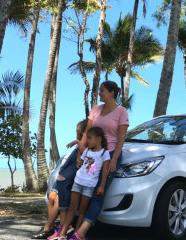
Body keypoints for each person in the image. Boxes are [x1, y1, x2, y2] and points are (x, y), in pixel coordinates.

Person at [71, 81, 129, 240]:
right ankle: (72, 226)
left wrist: (113, 160)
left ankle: (81, 232)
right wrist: (80, 154)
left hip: (108, 155)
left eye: (102, 90)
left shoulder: (121, 111)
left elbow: (121, 139)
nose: (99, 93)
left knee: (97, 192)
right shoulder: (96, 109)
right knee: (83, 187)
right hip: (91, 155)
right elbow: (87, 133)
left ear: (111, 93)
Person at [32, 120, 87, 239]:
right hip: (63, 172)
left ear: (84, 134)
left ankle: (51, 227)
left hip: (67, 177)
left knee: (58, 198)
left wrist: (79, 142)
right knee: (51, 196)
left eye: (78, 133)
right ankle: (52, 226)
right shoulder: (79, 146)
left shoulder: (84, 146)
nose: (76, 135)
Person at [56, 127, 111, 240]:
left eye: (90, 138)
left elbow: (105, 171)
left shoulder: (104, 153)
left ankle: (76, 233)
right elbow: (81, 147)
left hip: (89, 186)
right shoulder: (87, 151)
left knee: (82, 209)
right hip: (78, 181)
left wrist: (101, 186)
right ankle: (62, 233)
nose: (88, 141)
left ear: (99, 139)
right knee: (72, 207)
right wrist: (77, 141)